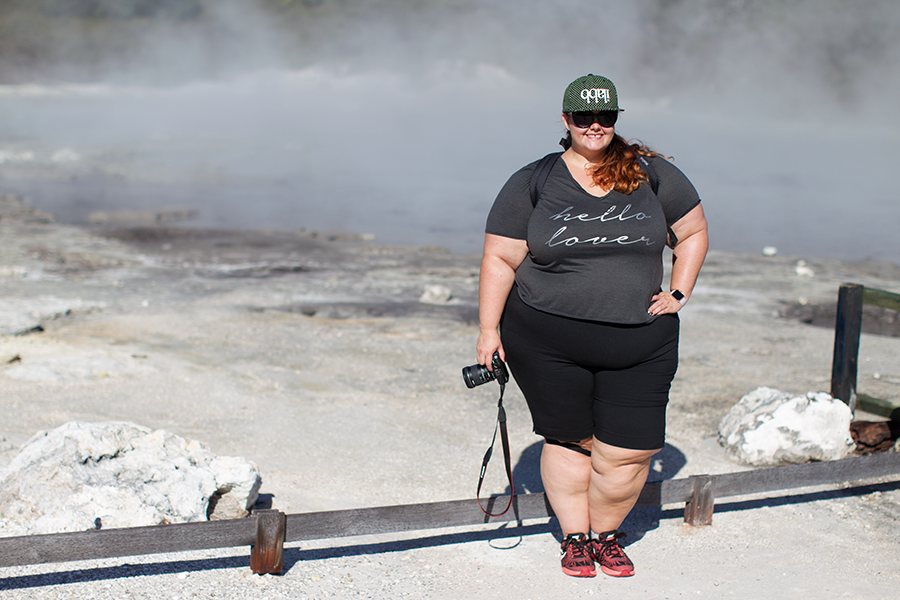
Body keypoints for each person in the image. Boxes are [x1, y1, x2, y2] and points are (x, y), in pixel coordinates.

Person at [475, 74, 708, 578]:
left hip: (641, 340)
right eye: (584, 116)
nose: (595, 125)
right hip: (545, 339)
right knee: (568, 439)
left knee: (631, 451)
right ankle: (577, 539)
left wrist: (679, 294)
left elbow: (691, 233)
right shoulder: (533, 180)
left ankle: (608, 535)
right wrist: (488, 330)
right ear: (567, 121)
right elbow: (499, 258)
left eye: (605, 116)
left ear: (616, 118)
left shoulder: (653, 174)